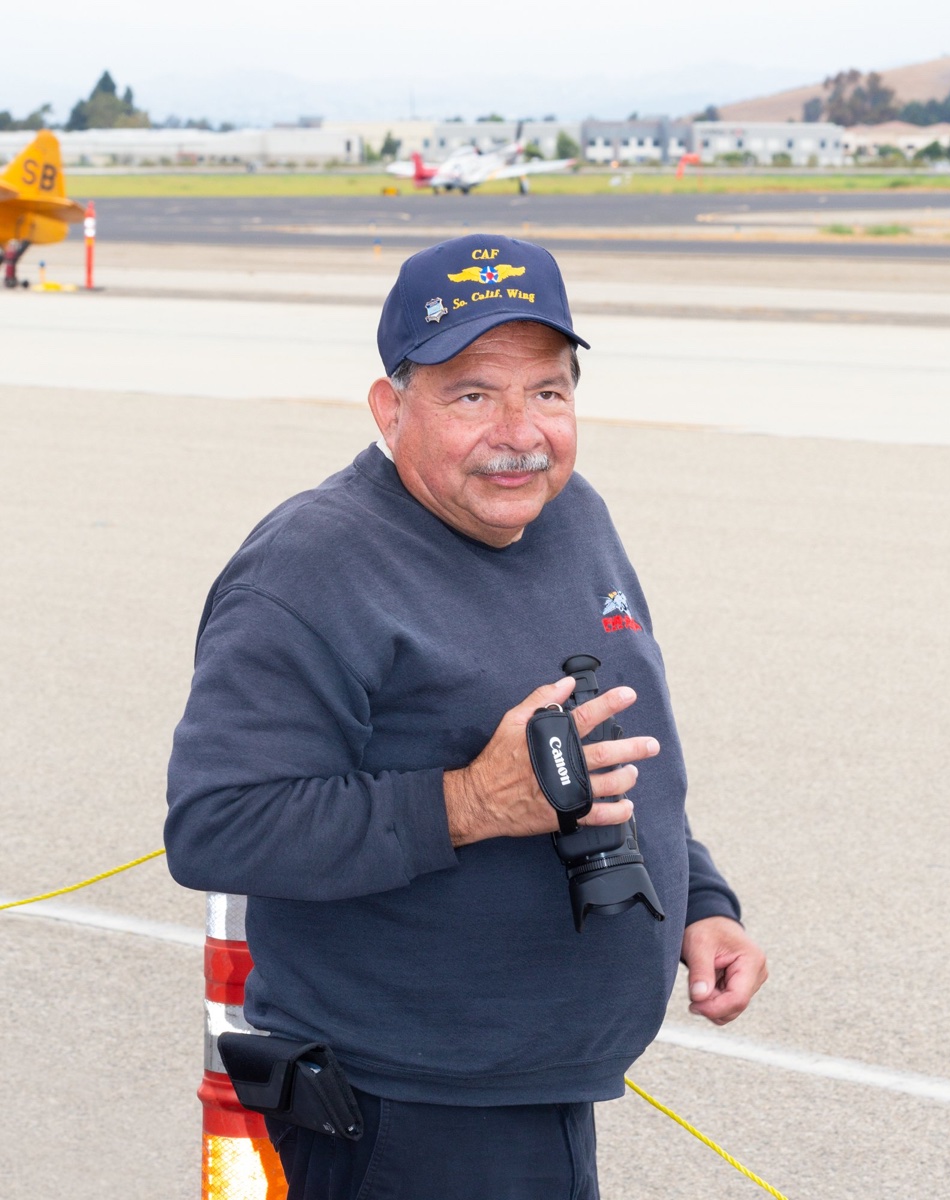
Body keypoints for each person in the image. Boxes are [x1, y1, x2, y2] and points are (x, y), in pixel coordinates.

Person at [165, 233, 767, 1200]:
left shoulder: (572, 517)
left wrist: (699, 901)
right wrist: (468, 803)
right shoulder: (312, 567)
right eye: (473, 393)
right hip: (407, 1113)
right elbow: (217, 826)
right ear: (389, 407)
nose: (521, 432)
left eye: (550, 391)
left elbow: (610, 746)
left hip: (540, 1087)